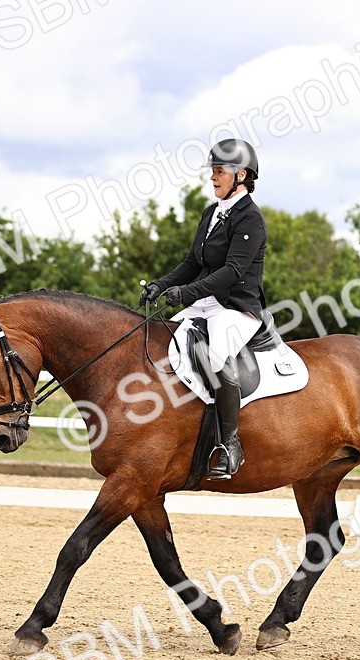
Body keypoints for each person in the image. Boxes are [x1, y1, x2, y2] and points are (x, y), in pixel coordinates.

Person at [140, 138, 266, 480]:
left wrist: (188, 293)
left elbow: (233, 272)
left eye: (219, 171)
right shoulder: (212, 213)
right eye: (213, 171)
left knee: (215, 356)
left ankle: (230, 444)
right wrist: (162, 285)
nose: (213, 177)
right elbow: (192, 262)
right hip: (208, 302)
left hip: (236, 308)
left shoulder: (250, 219)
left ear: (241, 176)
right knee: (167, 339)